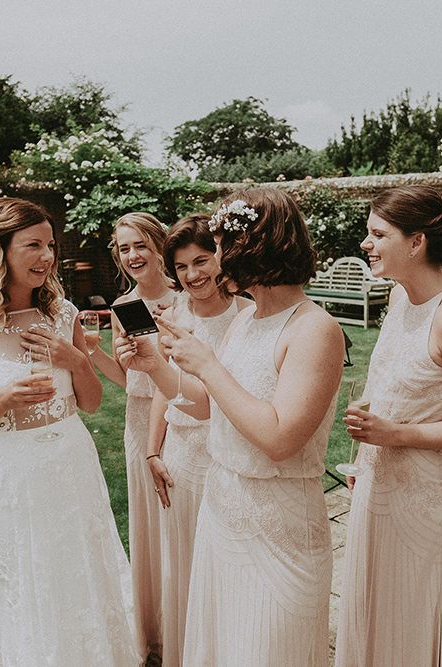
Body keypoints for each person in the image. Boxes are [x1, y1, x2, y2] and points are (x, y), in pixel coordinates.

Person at [117, 189, 345, 665]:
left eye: (220, 244)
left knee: (266, 648)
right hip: (223, 514)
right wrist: (155, 364)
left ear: (252, 245)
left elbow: (281, 438)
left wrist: (208, 365)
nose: (214, 260)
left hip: (278, 523)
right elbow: (207, 407)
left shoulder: (313, 328)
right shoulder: (249, 322)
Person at [335, 185, 442, 666]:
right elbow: (396, 384)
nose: (366, 244)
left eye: (377, 234)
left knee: (415, 618)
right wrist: (368, 445)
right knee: (379, 614)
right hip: (379, 487)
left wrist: (395, 435)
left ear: (415, 243)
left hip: (425, 501)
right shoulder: (402, 300)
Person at [0, 197, 140, 666]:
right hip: (11, 471)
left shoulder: (63, 313)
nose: (48, 257)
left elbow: (92, 403)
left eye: (50, 244)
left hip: (70, 458)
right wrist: (6, 399)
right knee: (29, 573)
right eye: (33, 245)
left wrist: (74, 360)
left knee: (76, 565)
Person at [145, 213, 252, 667]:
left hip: (228, 449)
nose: (193, 275)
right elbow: (161, 389)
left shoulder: (246, 314)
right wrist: (153, 450)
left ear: (222, 258)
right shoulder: (172, 315)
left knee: (229, 561)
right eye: (183, 267)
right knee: (184, 560)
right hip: (182, 453)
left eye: (202, 261)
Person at [89, 212, 173, 659]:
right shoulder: (123, 305)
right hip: (138, 422)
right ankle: (155, 632)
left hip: (180, 419)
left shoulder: (187, 296)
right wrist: (100, 354)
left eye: (140, 244)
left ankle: (185, 622)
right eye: (124, 248)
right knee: (148, 526)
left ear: (159, 245)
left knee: (178, 518)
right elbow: (129, 380)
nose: (133, 255)